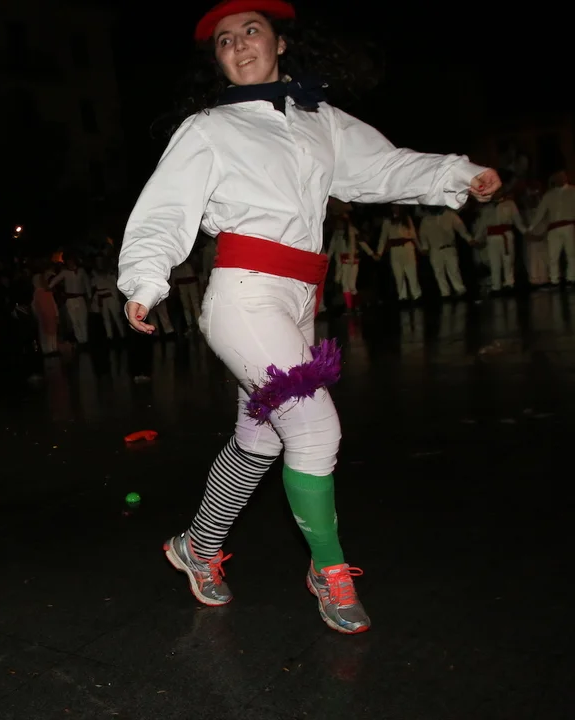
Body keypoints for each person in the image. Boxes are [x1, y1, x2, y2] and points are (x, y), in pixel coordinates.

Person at [117, 0, 500, 635]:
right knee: (315, 429)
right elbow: (164, 208)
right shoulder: (209, 128)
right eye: (224, 41)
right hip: (244, 297)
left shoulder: (318, 119)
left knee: (263, 438)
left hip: (298, 299)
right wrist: (144, 279)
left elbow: (382, 167)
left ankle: (197, 546)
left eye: (251, 31)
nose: (239, 45)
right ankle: (329, 570)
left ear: (280, 43)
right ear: (216, 60)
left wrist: (458, 174)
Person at [418, 206, 473, 298]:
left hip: (449, 247)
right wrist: (425, 247)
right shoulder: (426, 220)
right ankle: (445, 293)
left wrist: (469, 239)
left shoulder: (450, 215)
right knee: (439, 272)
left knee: (454, 269)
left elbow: (461, 228)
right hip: (435, 249)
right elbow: (423, 235)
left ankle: (460, 289)